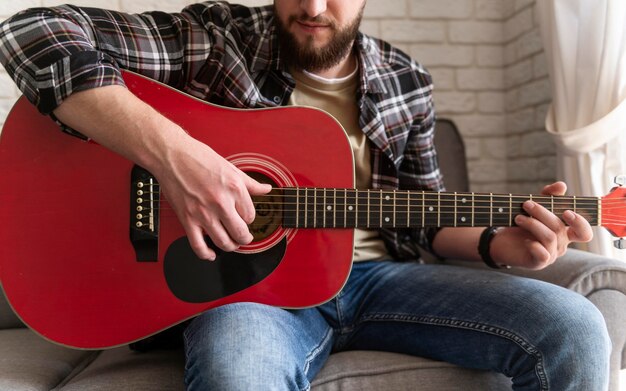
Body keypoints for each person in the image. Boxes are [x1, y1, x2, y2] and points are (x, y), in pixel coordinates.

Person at [0, 1, 611, 390]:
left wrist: (500, 244)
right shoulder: (215, 39)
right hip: (248, 293)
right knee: (237, 375)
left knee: (575, 327)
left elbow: (426, 212)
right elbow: (31, 31)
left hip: (380, 280)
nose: (314, 7)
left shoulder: (405, 79)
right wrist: (178, 159)